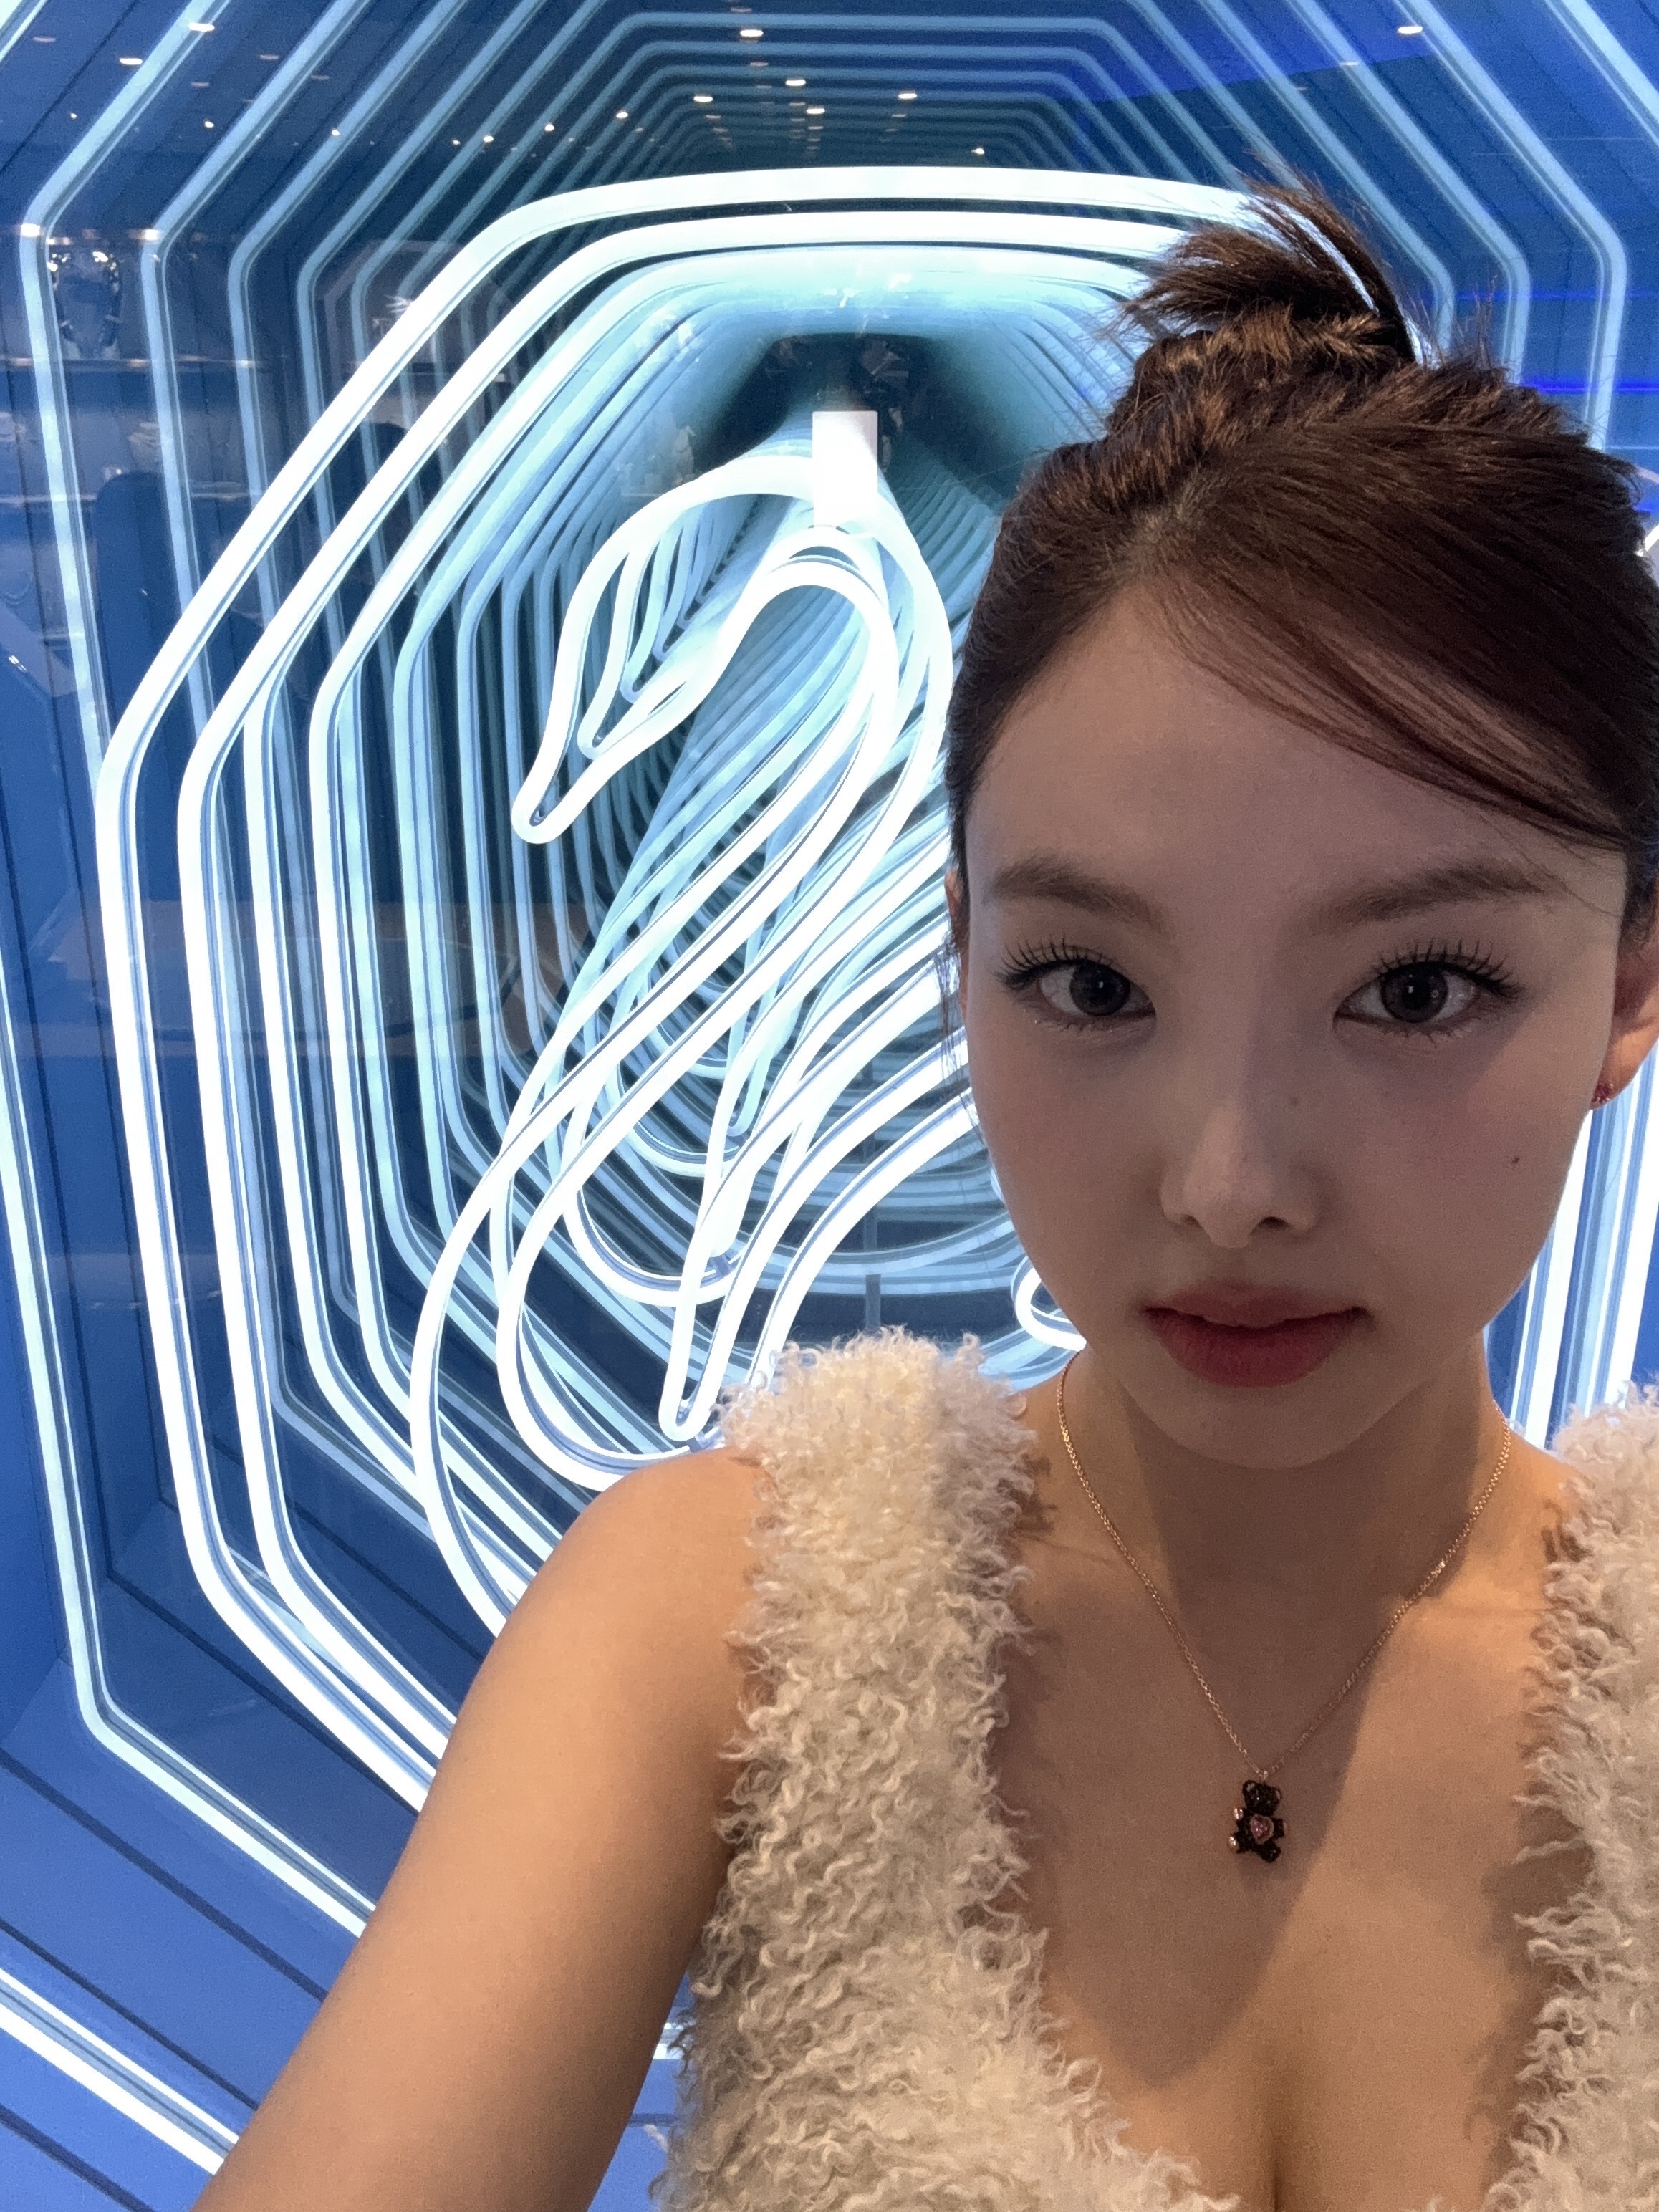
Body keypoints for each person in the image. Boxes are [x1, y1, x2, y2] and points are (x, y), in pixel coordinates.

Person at [194, 181, 1659, 2212]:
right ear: (959, 951)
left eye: (1414, 990)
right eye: (1092, 986)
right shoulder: (739, 1622)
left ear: (1628, 985)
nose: (1230, 1183)